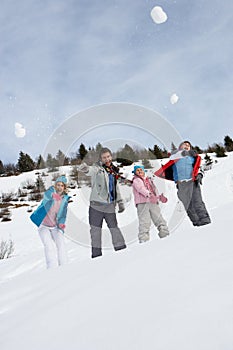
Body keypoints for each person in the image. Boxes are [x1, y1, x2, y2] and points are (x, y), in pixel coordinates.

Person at [78, 148, 126, 258]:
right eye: (104, 157)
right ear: (101, 158)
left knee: (114, 228)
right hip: (96, 205)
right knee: (95, 232)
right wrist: (85, 169)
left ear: (111, 156)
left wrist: (120, 201)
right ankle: (96, 257)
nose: (107, 159)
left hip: (109, 205)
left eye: (108, 156)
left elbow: (115, 187)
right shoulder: (97, 168)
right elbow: (90, 171)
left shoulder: (113, 171)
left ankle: (122, 252)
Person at [155, 141, 211, 227]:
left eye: (188, 145)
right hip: (181, 185)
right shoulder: (174, 158)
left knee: (197, 202)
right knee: (188, 206)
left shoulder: (194, 157)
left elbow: (200, 168)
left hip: (192, 182)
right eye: (185, 144)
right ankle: (196, 224)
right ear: (180, 147)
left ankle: (205, 222)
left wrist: (200, 175)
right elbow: (167, 168)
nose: (187, 146)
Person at [30, 175, 70, 268]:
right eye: (58, 185)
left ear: (64, 187)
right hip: (43, 226)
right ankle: (51, 268)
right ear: (55, 186)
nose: (59, 187)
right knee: (49, 247)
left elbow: (63, 214)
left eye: (62, 185)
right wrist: (53, 195)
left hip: (55, 226)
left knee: (61, 245)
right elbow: (46, 197)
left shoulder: (64, 199)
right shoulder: (50, 192)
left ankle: (65, 266)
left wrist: (61, 224)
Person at [132, 165, 169, 243]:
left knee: (159, 218)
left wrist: (159, 197)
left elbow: (154, 189)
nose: (139, 171)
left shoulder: (149, 180)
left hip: (153, 202)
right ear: (135, 173)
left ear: (144, 171)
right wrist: (149, 194)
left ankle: (165, 234)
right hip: (142, 204)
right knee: (145, 222)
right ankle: (144, 239)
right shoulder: (136, 180)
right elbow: (140, 188)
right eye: (137, 170)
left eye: (141, 170)